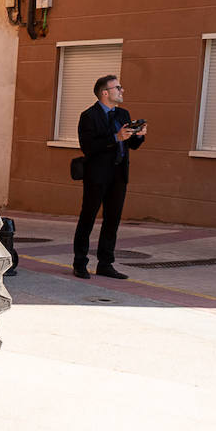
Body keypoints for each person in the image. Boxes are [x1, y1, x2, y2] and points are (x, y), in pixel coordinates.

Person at [73, 74, 146, 279]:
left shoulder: (123, 114)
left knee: (112, 221)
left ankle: (105, 264)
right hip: (97, 175)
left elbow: (130, 144)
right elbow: (88, 147)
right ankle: (80, 263)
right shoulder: (88, 116)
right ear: (105, 93)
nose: (122, 91)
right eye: (118, 88)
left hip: (119, 175)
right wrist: (115, 137)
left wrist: (138, 136)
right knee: (87, 218)